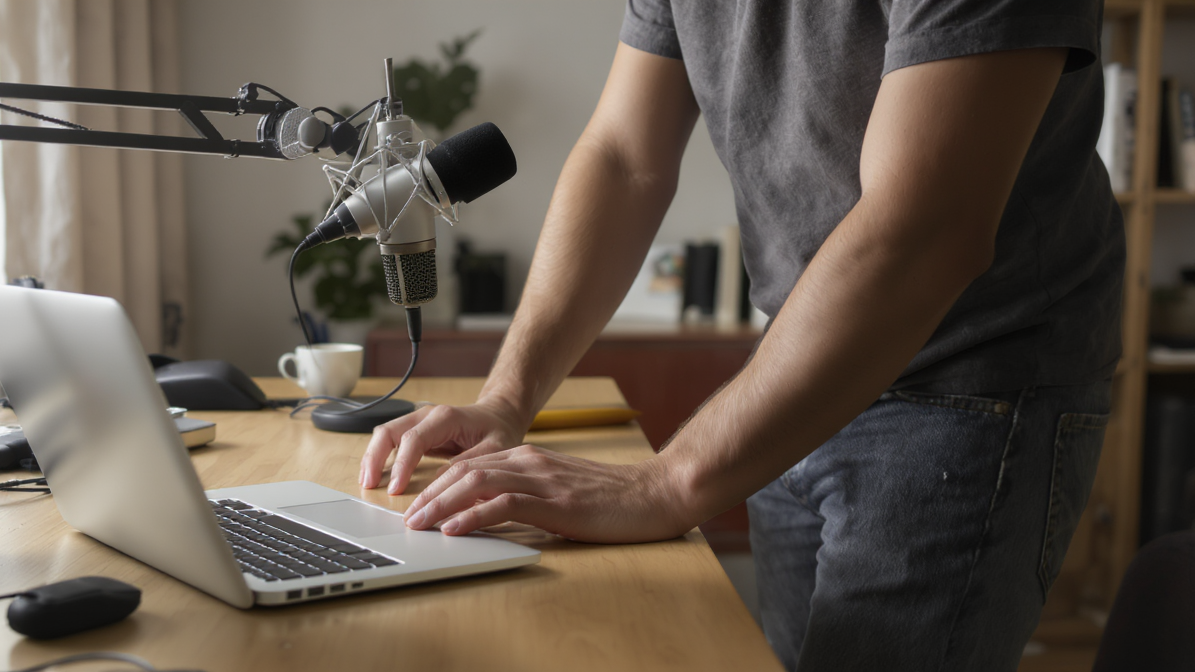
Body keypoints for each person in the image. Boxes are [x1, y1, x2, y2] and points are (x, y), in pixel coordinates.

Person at [358, 2, 1123, 670]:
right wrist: (506, 399)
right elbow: (625, 157)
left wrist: (663, 483)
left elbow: (924, 231)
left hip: (972, 386)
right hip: (798, 364)